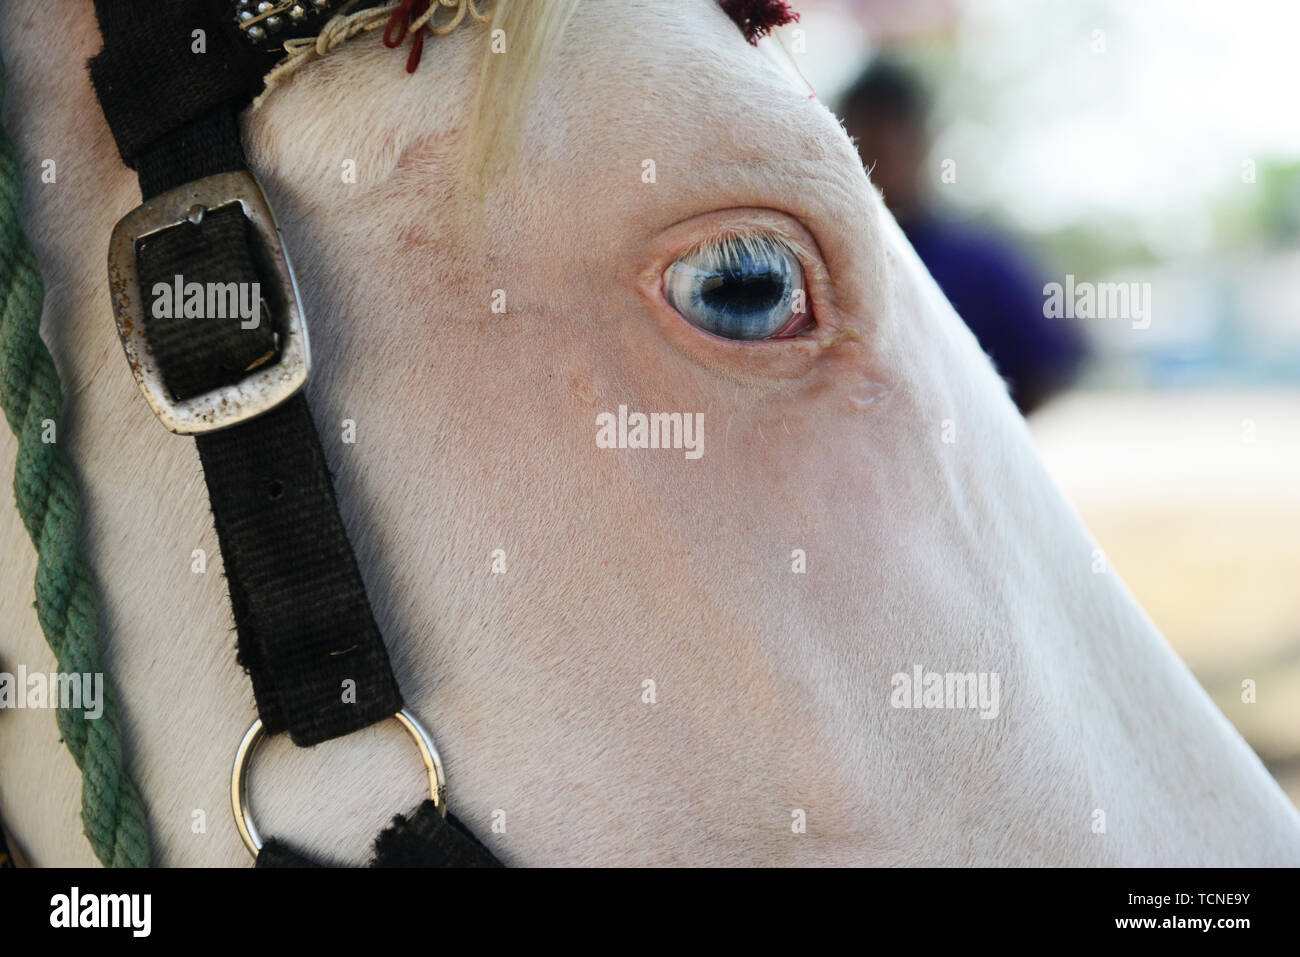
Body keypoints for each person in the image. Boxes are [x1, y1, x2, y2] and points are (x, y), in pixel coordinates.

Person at [840, 59, 1086, 414]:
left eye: (895, 131)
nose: (882, 150)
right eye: (864, 132)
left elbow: (1049, 363)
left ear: (925, 140)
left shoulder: (982, 263)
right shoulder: (822, 259)